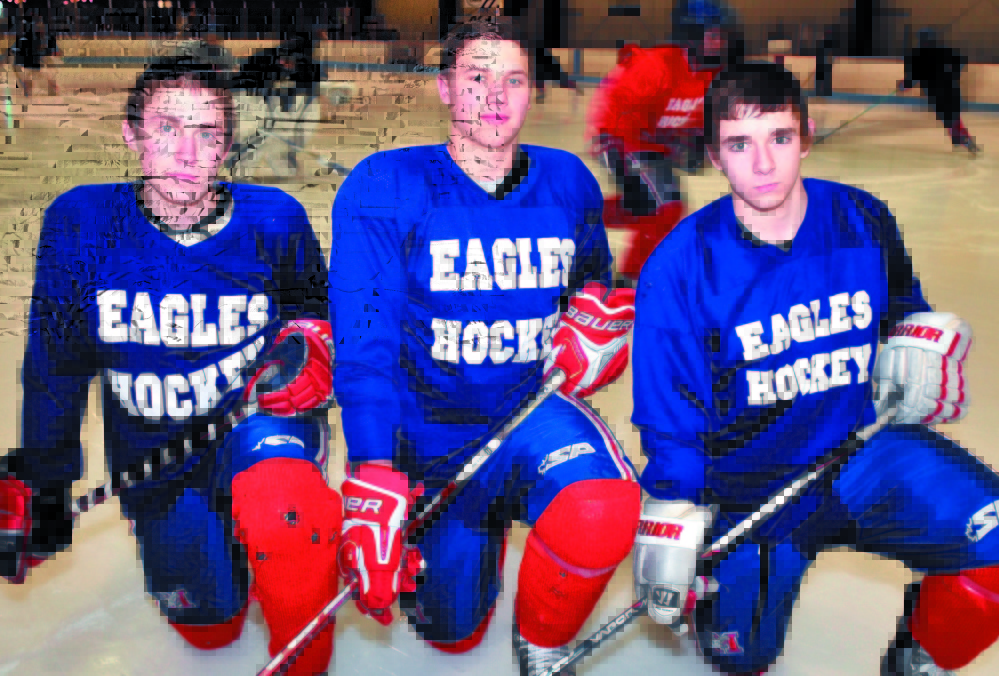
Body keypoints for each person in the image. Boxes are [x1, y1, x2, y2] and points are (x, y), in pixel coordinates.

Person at [630, 60, 999, 676]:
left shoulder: (861, 217)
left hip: (860, 453)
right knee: (740, 658)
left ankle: (918, 658)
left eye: (779, 137)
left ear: (805, 133)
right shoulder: (680, 265)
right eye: (739, 145)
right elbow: (670, 413)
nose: (765, 164)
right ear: (715, 158)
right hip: (751, 490)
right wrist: (673, 504)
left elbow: (902, 307)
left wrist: (919, 339)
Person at [0, 56, 342, 676]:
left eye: (208, 134)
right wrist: (42, 477)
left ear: (229, 145)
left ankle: (299, 620)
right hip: (154, 461)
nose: (188, 153)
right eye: (166, 129)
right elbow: (57, 365)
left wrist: (316, 348)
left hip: (257, 430)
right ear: (130, 135)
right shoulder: (82, 223)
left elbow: (315, 313)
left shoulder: (273, 218)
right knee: (212, 630)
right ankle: (234, 557)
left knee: (286, 518)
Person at [329, 19, 641, 676]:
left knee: (601, 509)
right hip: (431, 431)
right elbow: (366, 343)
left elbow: (589, 288)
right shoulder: (387, 185)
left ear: (532, 93)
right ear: (444, 88)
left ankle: (541, 642)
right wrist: (373, 468)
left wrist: (597, 332)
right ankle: (472, 535)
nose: (494, 96)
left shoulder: (566, 182)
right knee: (451, 632)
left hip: (531, 414)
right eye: (475, 78)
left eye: (513, 80)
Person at [586, 0, 744, 283]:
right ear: (691, 34)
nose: (720, 42)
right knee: (664, 205)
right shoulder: (656, 66)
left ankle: (577, 218)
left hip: (652, 145)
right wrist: (628, 162)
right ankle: (631, 277)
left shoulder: (714, 76)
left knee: (648, 207)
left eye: (723, 35)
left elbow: (712, 119)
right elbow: (619, 118)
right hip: (618, 138)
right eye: (712, 35)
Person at [898, 29, 979, 154]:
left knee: (950, 118)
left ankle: (964, 139)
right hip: (950, 88)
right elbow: (960, 60)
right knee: (952, 116)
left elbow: (914, 76)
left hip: (935, 92)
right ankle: (958, 139)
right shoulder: (943, 49)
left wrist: (904, 85)